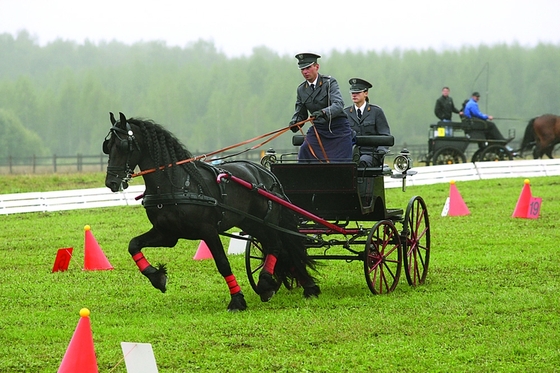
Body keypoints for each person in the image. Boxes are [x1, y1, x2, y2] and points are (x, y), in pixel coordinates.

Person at [288, 53, 353, 162]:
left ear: (317, 67)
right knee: (304, 150)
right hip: (319, 129)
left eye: (308, 68)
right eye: (302, 69)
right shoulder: (301, 90)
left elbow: (338, 104)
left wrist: (323, 112)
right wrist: (295, 122)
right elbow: (301, 113)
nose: (305, 72)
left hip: (338, 129)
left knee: (340, 164)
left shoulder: (329, 82)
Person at [344, 78, 391, 167]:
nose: (354, 95)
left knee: (362, 162)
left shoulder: (376, 112)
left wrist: (380, 151)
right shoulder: (346, 113)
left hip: (370, 154)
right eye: (352, 93)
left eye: (357, 93)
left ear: (366, 93)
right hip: (350, 153)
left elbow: (385, 135)